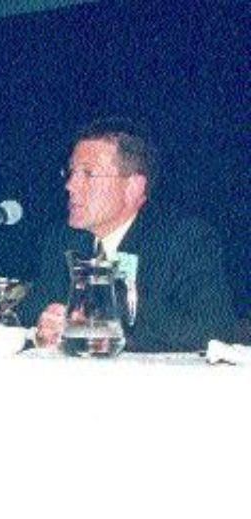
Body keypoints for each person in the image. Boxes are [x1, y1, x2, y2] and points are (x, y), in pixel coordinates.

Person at [21, 117, 236, 352]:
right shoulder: (62, 239)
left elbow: (214, 333)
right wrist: (44, 326)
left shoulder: (185, 239)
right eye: (71, 172)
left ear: (133, 187)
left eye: (88, 174)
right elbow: (27, 318)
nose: (71, 185)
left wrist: (107, 315)